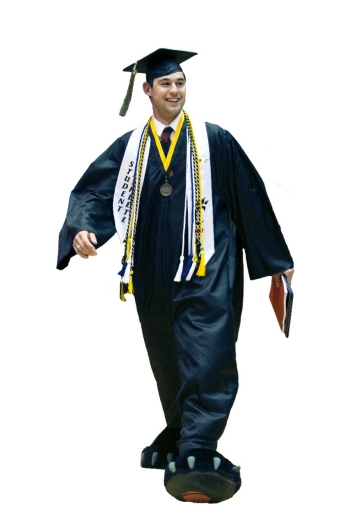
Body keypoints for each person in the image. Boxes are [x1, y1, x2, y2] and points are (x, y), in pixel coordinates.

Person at [57, 48, 294, 504]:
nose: (174, 91)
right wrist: (82, 230)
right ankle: (181, 432)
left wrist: (274, 258)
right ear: (147, 90)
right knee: (166, 353)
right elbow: (94, 191)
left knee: (206, 352)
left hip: (207, 267)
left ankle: (200, 450)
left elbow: (250, 195)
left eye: (180, 83)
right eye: (165, 84)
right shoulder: (130, 148)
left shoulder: (214, 140)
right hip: (151, 269)